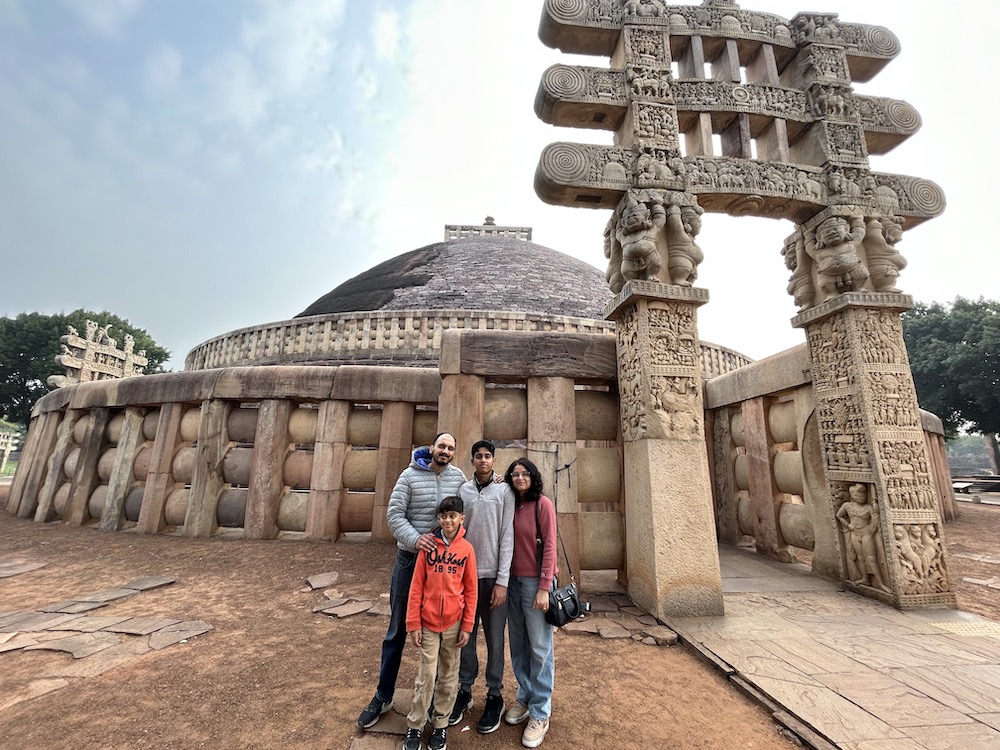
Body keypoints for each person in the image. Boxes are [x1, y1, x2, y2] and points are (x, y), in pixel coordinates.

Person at [357, 432, 467, 730]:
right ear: (432, 447)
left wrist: (496, 479)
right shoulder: (409, 476)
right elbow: (394, 515)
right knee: (397, 630)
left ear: (455, 452)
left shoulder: (458, 477)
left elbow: (471, 503)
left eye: (451, 448)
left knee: (444, 631)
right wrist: (416, 539)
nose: (445, 451)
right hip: (410, 559)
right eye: (441, 446)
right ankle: (383, 694)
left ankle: (437, 699)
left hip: (443, 565)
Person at [402, 495, 478, 750]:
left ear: (461, 519)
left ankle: (441, 724)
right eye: (443, 516)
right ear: (439, 518)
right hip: (428, 621)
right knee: (426, 674)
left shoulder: (466, 549)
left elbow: (471, 590)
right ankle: (415, 724)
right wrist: (413, 622)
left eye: (452, 516)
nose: (448, 520)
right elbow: (416, 587)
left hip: (454, 623)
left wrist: (467, 625)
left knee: (448, 675)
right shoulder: (429, 547)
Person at [450, 440, 515, 733]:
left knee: (495, 640)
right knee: (465, 635)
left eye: (488, 456)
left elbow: (507, 537)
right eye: (479, 456)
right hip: (465, 577)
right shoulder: (463, 490)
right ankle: (464, 690)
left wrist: (503, 580)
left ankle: (494, 695)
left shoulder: (504, 491)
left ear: (494, 460)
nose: (484, 461)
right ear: (473, 460)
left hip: (492, 578)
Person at [503, 458, 557, 748]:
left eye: (525, 474)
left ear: (533, 477)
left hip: (536, 583)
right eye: (515, 474)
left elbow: (550, 545)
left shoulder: (542, 504)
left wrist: (545, 587)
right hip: (512, 582)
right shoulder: (511, 503)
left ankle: (540, 711)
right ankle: (525, 696)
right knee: (519, 644)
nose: (519, 477)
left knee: (540, 647)